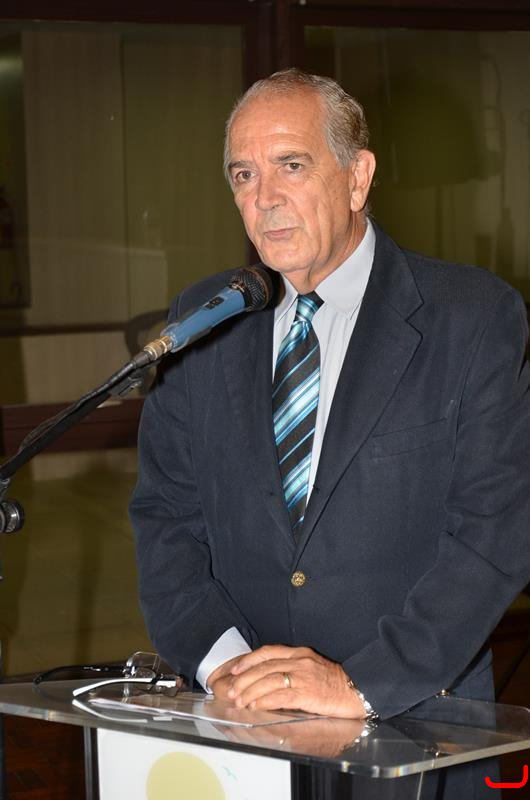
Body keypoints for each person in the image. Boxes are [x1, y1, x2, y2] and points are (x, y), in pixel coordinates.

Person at [130, 69, 530, 728]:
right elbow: (166, 516)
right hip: (244, 717)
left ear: (357, 178)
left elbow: (495, 535)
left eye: (291, 165)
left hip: (412, 719)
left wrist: (358, 686)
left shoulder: (472, 317)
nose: (265, 198)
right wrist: (223, 663)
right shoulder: (205, 317)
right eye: (244, 175)